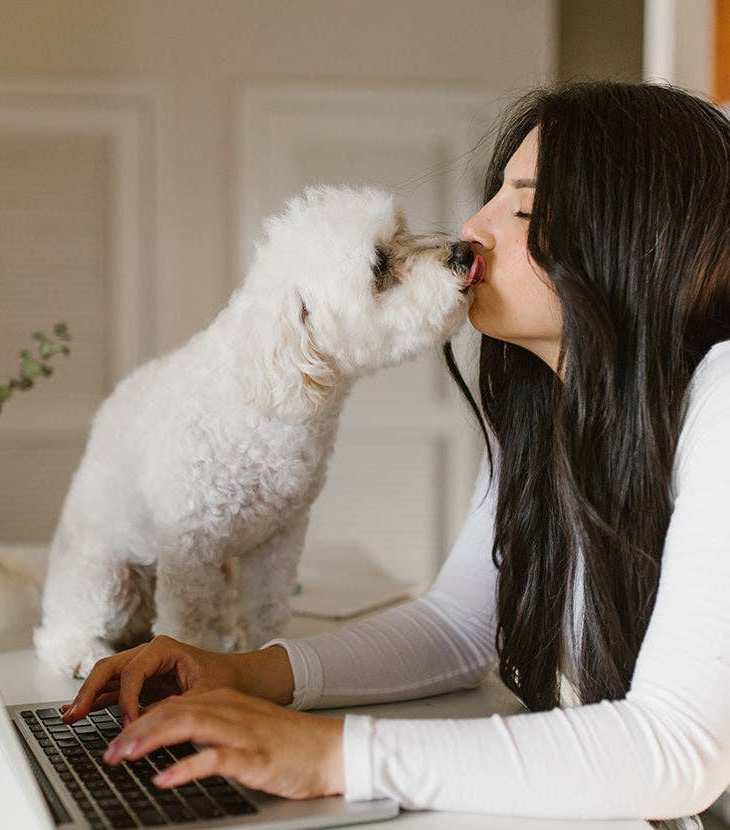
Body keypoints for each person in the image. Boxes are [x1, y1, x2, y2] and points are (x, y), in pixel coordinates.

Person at [60, 81, 730, 828]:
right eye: (493, 195)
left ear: (638, 245)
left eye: (524, 208)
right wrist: (242, 674)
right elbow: (457, 626)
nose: (472, 229)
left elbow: (674, 751)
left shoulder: (724, 400)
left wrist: (329, 755)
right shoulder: (543, 411)